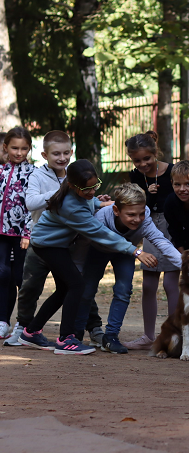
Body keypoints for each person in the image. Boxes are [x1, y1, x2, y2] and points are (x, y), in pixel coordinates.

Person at [18, 160, 151, 355]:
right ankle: (66, 340)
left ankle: (30, 332)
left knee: (65, 289)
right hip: (48, 246)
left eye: (94, 187)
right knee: (77, 285)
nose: (91, 191)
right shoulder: (71, 207)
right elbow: (100, 232)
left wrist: (101, 201)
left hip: (55, 245)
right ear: (72, 185)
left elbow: (88, 201)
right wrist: (136, 251)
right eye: (86, 188)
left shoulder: (75, 192)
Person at [5, 131, 105, 347]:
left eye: (66, 153)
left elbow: (84, 200)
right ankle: (23, 328)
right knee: (30, 286)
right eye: (56, 154)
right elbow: (31, 203)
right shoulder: (38, 176)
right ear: (44, 155)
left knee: (75, 284)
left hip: (70, 242)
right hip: (41, 242)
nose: (62, 158)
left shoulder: (75, 173)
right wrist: (61, 192)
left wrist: (97, 201)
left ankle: (94, 327)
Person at [75, 183, 180, 354]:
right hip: (98, 250)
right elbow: (100, 239)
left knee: (124, 290)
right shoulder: (101, 217)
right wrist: (137, 251)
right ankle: (76, 334)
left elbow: (162, 242)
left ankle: (111, 336)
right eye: (131, 215)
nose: (137, 219)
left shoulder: (144, 219)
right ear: (116, 210)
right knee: (87, 291)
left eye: (141, 214)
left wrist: (186, 265)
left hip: (126, 253)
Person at [124, 131, 179, 350]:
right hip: (149, 226)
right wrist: (148, 194)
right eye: (137, 160)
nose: (142, 164)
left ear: (155, 153)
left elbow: (181, 198)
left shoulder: (173, 171)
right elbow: (136, 203)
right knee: (148, 285)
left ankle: (174, 336)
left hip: (172, 226)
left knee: (170, 284)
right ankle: (148, 336)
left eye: (146, 159)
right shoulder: (136, 176)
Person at [0, 127, 34, 341]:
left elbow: (33, 206)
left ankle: (23, 323)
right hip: (1, 234)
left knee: (20, 277)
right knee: (2, 275)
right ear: (6, 148)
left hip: (22, 235)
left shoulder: (34, 173)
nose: (19, 152)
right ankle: (3, 320)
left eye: (24, 148)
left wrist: (27, 232)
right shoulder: (1, 172)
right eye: (14, 148)